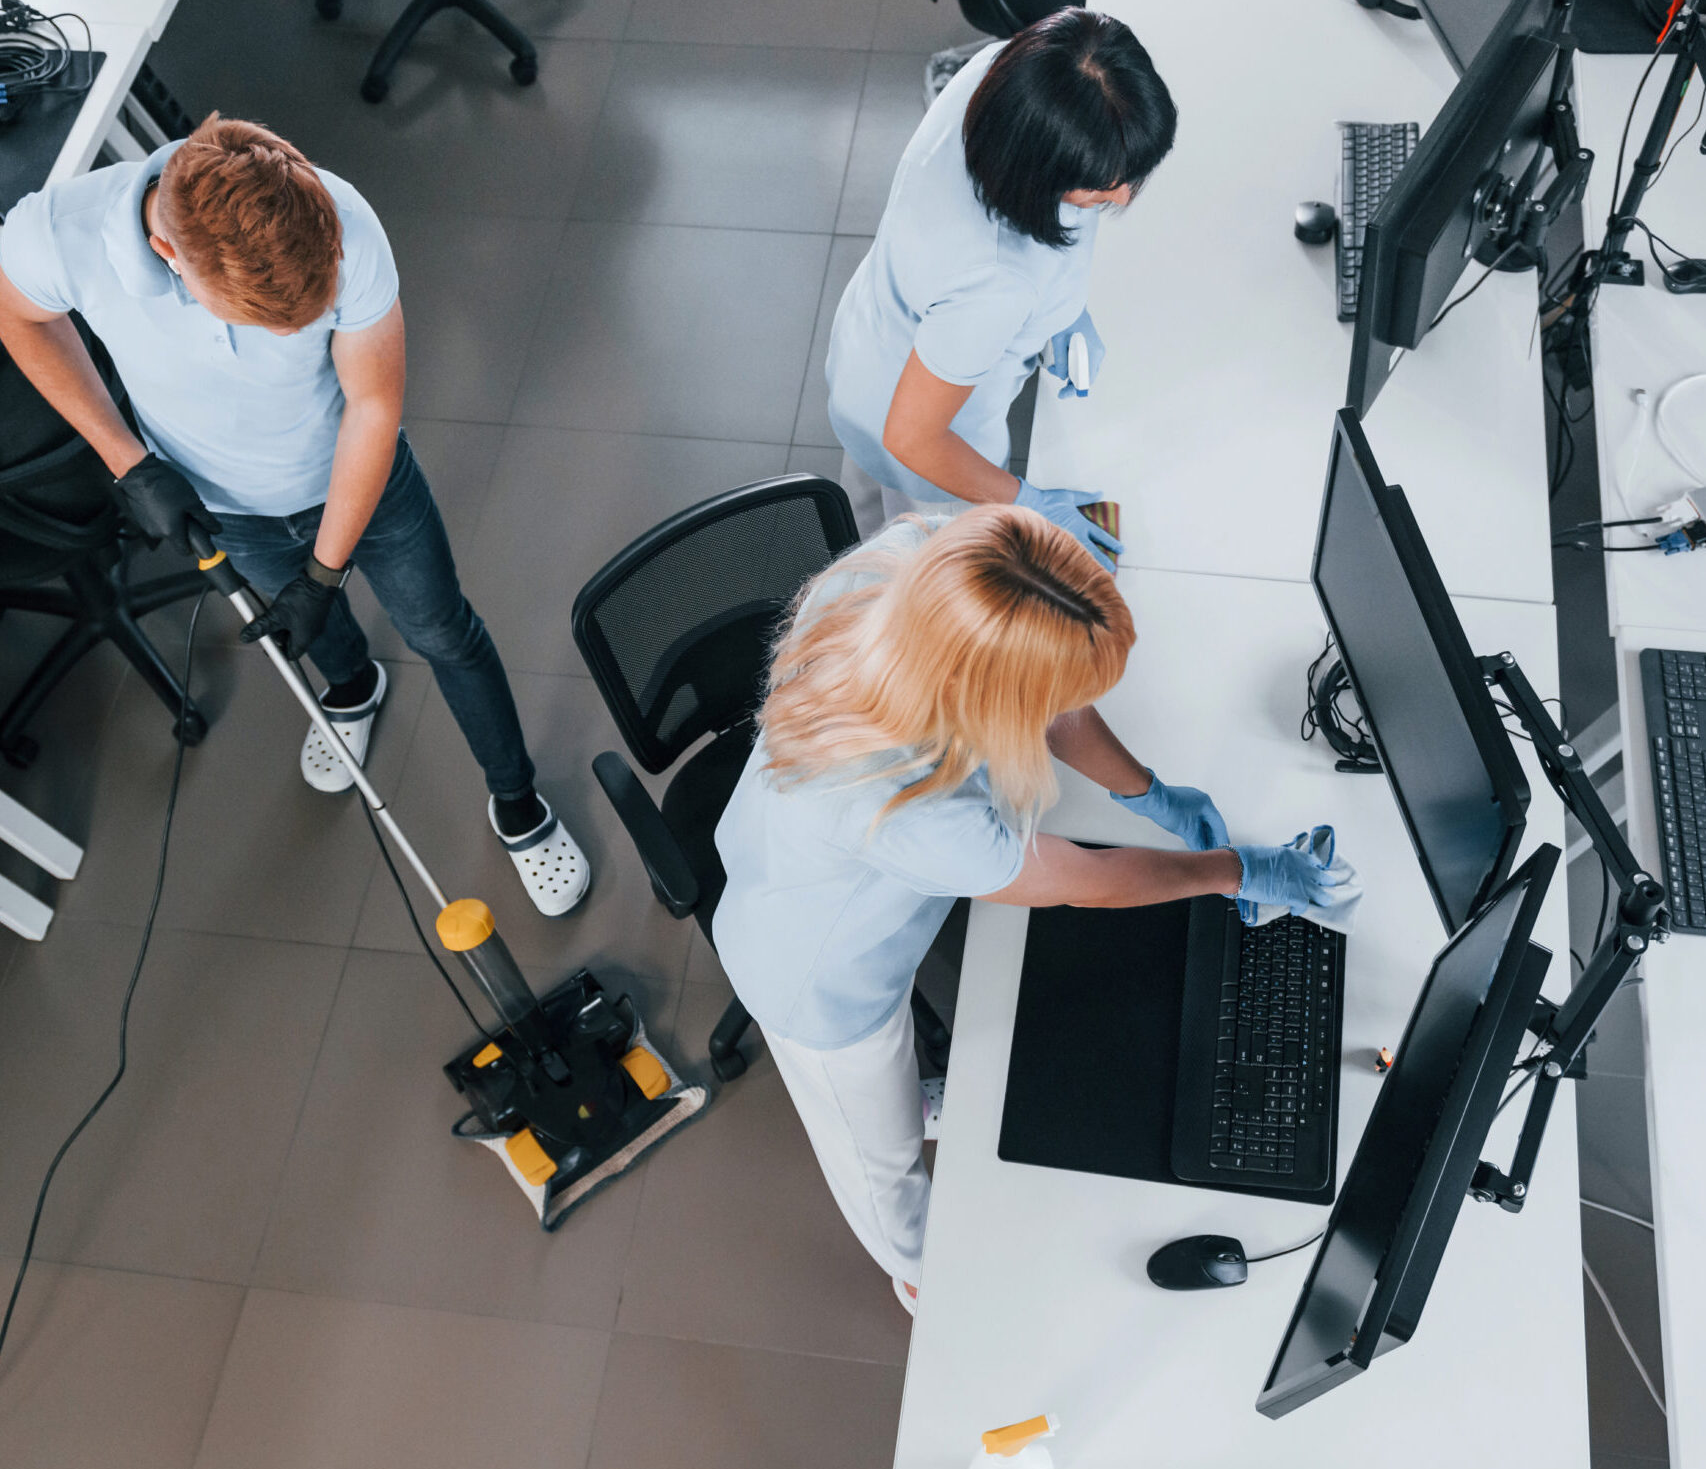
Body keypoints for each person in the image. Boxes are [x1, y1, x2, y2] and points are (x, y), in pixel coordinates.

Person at [711, 505, 1338, 1312]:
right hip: (820, 987)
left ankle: (914, 1104)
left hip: (791, 862)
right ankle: (917, 1276)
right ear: (997, 696)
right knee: (882, 1162)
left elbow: (1054, 704)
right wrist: (1230, 869)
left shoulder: (925, 565)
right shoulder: (907, 800)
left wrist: (1147, 792)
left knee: (903, 1075)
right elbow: (1082, 879)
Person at [0, 115, 589, 915]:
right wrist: (126, 459)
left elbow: (373, 404)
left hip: (362, 482)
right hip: (222, 503)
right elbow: (18, 316)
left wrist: (325, 569)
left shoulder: (339, 224)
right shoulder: (60, 232)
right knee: (311, 629)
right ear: (172, 257)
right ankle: (353, 687)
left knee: (443, 630)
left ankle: (516, 797)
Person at [826, 7, 1177, 563]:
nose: (1124, 199)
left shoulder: (1010, 75)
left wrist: (1062, 313)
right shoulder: (994, 281)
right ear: (1037, 176)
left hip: (876, 339)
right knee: (917, 571)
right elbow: (915, 439)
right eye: (1099, 190)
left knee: (871, 522)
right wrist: (1028, 501)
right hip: (929, 436)